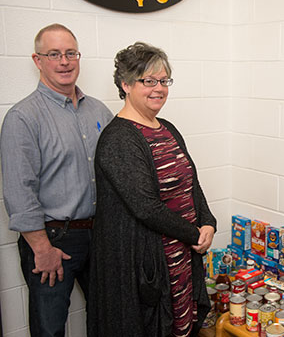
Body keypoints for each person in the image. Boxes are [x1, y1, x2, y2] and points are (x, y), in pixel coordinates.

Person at [88, 42, 216, 337]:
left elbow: (190, 182)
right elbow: (145, 207)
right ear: (126, 84)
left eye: (163, 80)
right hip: (151, 264)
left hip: (181, 257)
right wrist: (195, 233)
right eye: (148, 81)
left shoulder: (168, 128)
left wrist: (208, 220)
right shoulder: (119, 138)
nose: (158, 88)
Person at [0, 24, 113, 337]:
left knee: (108, 318)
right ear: (38, 60)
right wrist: (41, 248)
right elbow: (18, 191)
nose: (64, 61)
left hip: (100, 235)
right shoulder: (23, 117)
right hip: (53, 240)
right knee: (49, 328)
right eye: (54, 54)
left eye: (71, 53)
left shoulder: (99, 111)